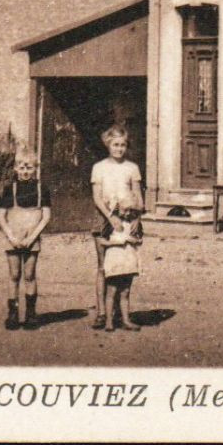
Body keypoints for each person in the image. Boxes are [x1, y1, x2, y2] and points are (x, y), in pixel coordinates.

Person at [89, 125, 144, 331]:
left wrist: (138, 215)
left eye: (122, 145)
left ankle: (122, 314)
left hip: (127, 219)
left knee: (126, 265)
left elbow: (138, 195)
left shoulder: (132, 168)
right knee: (104, 266)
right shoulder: (99, 167)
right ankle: (102, 313)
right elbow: (96, 197)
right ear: (108, 145)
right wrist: (110, 218)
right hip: (105, 219)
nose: (119, 149)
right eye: (115, 145)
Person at [0, 153, 52, 331]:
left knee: (29, 275)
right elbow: (1, 216)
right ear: (15, 168)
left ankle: (31, 314)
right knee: (14, 275)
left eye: (29, 167)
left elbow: (46, 217)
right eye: (21, 167)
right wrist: (11, 236)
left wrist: (31, 237)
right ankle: (12, 314)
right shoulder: (9, 189)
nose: (25, 171)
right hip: (13, 238)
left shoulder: (42, 189)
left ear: (36, 169)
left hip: (31, 239)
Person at [99, 209, 141, 334]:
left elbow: (140, 239)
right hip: (115, 260)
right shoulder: (110, 223)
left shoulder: (134, 224)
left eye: (129, 210)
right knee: (111, 290)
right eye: (124, 210)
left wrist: (133, 240)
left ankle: (126, 320)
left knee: (125, 291)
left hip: (128, 260)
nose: (127, 213)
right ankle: (109, 321)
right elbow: (102, 240)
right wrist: (115, 242)